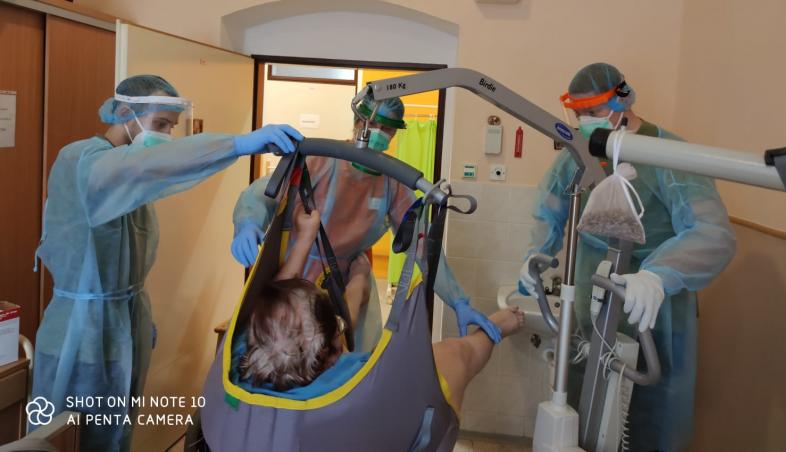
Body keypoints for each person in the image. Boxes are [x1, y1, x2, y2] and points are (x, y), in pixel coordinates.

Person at [31, 74, 304, 452]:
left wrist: (137, 317)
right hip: (80, 334)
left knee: (115, 434)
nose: (165, 136)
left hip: (124, 326)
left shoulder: (133, 184)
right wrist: (238, 144)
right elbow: (147, 164)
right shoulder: (82, 160)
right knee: (64, 438)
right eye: (160, 124)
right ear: (124, 113)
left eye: (170, 128)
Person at [519, 63, 736, 451]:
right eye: (579, 113)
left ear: (623, 99)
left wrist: (658, 275)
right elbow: (549, 208)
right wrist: (537, 255)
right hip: (592, 300)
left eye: (594, 111)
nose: (585, 122)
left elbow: (712, 233)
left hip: (653, 309)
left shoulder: (667, 154)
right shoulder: (580, 154)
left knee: (649, 414)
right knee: (584, 403)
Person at [231, 96, 501, 351]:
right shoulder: (321, 159)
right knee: (276, 346)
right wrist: (249, 223)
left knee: (337, 353)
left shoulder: (393, 183)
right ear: (358, 121)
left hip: (345, 282)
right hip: (293, 271)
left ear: (395, 133)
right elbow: (261, 194)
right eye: (373, 124)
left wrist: (458, 300)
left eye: (387, 128)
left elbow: (422, 246)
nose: (379, 133)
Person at [236, 206, 524, 414]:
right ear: (334, 347)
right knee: (457, 353)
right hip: (375, 406)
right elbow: (457, 356)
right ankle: (498, 326)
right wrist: (484, 318)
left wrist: (304, 238)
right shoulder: (358, 378)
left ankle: (357, 285)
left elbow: (278, 307)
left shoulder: (244, 370)